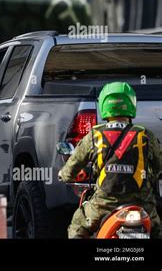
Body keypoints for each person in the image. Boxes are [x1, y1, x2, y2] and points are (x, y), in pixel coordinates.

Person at [59, 82, 161, 238]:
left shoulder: (95, 135)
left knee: (78, 224)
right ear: (131, 104)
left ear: (104, 105)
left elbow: (72, 165)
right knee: (156, 230)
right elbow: (159, 165)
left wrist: (65, 176)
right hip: (142, 204)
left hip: (103, 205)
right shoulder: (145, 134)